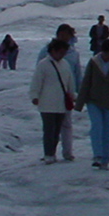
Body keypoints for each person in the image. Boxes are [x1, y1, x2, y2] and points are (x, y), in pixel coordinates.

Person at [75, 38, 109, 171]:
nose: (107, 56)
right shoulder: (94, 62)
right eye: (105, 53)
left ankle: (106, 159)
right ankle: (97, 156)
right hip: (94, 101)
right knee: (97, 127)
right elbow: (86, 82)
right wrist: (79, 103)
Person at [36, 24, 83, 161]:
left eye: (66, 35)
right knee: (51, 125)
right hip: (49, 94)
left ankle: (67, 152)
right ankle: (50, 152)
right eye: (61, 35)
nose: (64, 38)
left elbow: (77, 74)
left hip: (66, 93)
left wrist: (78, 92)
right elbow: (39, 72)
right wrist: (37, 93)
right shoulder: (45, 51)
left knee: (66, 124)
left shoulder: (73, 53)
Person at [29, 38, 75, 164]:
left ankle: (52, 152)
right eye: (60, 52)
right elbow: (36, 82)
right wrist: (34, 96)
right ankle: (48, 153)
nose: (62, 55)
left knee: (56, 130)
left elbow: (70, 82)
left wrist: (72, 94)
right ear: (53, 51)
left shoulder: (65, 64)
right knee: (49, 129)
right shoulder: (43, 64)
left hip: (60, 104)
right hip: (47, 103)